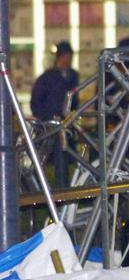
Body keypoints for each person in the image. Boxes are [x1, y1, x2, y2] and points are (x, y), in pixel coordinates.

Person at [30, 40, 79, 188]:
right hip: (51, 124)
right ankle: (57, 189)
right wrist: (44, 120)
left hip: (64, 124)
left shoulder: (71, 76)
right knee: (54, 158)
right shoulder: (48, 77)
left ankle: (61, 188)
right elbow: (37, 102)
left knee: (62, 158)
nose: (68, 59)